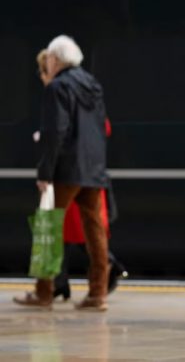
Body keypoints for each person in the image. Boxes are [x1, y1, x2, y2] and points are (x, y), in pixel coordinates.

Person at [14, 36, 112, 311]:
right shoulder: (92, 85)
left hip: (67, 170)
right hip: (93, 169)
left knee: (48, 227)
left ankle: (44, 292)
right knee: (96, 232)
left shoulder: (57, 87)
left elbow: (54, 131)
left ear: (55, 59)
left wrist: (44, 172)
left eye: (48, 59)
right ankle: (97, 293)